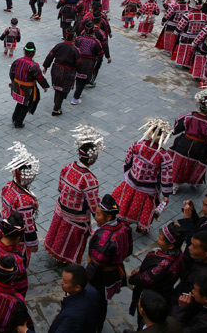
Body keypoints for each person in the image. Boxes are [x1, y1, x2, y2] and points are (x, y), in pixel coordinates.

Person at [45, 125, 103, 263]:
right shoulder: (89, 180)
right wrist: (99, 217)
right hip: (77, 216)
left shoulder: (68, 167)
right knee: (70, 238)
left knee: (59, 233)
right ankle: (66, 258)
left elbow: (60, 187)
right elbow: (93, 203)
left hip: (61, 207)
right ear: (92, 159)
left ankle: (54, 251)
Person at [111, 119, 174, 233]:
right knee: (144, 208)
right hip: (148, 189)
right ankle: (141, 227)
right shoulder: (164, 156)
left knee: (126, 203)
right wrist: (166, 193)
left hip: (131, 182)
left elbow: (128, 161)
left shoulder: (137, 145)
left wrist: (129, 175)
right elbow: (166, 176)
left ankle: (123, 222)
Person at [86, 194, 133, 332]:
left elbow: (95, 264)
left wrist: (85, 279)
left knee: (97, 300)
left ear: (108, 218)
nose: (95, 217)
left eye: (99, 215)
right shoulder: (124, 227)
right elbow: (129, 249)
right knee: (103, 301)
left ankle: (95, 326)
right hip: (114, 271)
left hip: (101, 276)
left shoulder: (104, 237)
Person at [128, 222, 185, 319]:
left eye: (161, 238)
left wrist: (133, 278)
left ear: (171, 246)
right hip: (163, 292)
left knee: (144, 318)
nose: (157, 239)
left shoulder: (163, 264)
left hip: (151, 295)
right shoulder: (178, 255)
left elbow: (145, 279)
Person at [9, 42, 49, 128]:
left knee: (20, 101)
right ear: (34, 53)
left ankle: (14, 118)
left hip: (17, 86)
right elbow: (39, 77)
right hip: (28, 89)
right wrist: (45, 86)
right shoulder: (33, 66)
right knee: (26, 104)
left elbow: (11, 73)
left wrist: (12, 82)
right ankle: (18, 123)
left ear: (24, 51)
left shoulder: (17, 61)